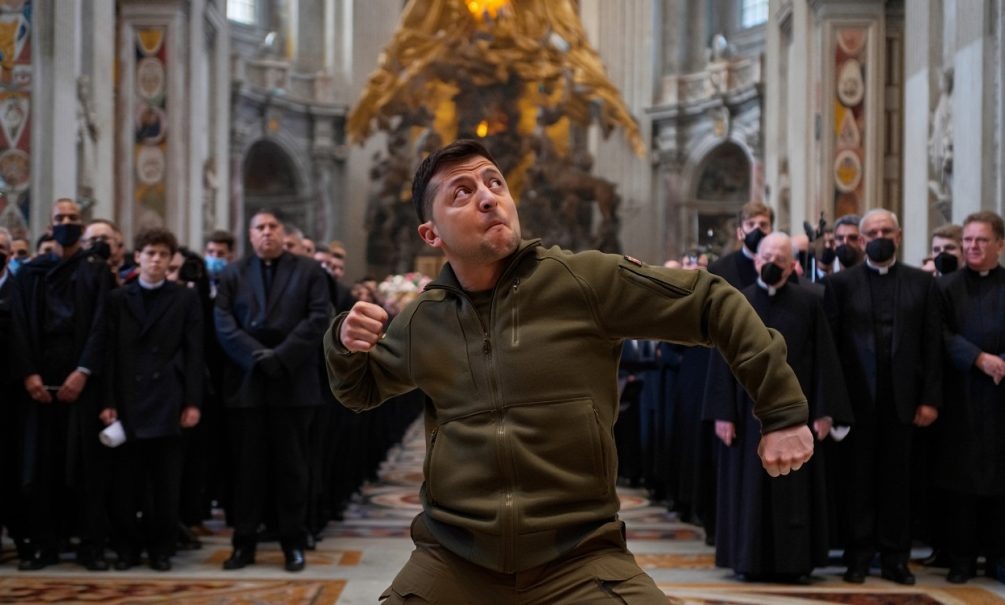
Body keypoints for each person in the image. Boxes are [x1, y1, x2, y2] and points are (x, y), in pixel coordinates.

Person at [325, 140, 813, 603]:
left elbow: (711, 301)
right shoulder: (423, 320)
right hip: (453, 559)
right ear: (431, 234)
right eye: (462, 192)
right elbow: (360, 390)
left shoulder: (582, 282)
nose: (489, 198)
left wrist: (781, 409)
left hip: (580, 557)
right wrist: (344, 343)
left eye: (495, 183)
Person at [705, 233, 852, 583]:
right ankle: (747, 559)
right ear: (757, 260)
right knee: (749, 491)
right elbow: (721, 359)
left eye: (780, 259)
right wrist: (723, 413)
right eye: (767, 257)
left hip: (795, 413)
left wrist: (824, 411)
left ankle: (794, 562)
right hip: (746, 414)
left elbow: (824, 360)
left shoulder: (809, 302)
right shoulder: (736, 302)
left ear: (791, 266)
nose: (772, 263)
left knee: (793, 487)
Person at [823, 209, 942, 585]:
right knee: (857, 482)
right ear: (861, 240)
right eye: (872, 233)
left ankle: (895, 558)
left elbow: (932, 345)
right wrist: (833, 403)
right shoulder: (840, 284)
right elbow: (831, 349)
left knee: (898, 483)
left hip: (904, 400)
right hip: (857, 401)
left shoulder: (922, 283)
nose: (879, 237)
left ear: (899, 235)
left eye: (886, 231)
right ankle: (857, 556)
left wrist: (930, 399)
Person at [214, 210, 331, 572]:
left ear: (283, 232)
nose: (267, 232)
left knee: (291, 469)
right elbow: (223, 322)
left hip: (293, 383)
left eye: (273, 227)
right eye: (260, 228)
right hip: (248, 385)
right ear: (250, 235)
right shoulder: (233, 273)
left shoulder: (309, 271)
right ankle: (244, 543)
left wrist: (280, 357)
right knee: (247, 471)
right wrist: (256, 357)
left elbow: (318, 318)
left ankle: (293, 543)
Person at [11, 198, 115, 571]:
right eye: (60, 217)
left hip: (82, 379)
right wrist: (29, 374)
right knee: (43, 468)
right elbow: (18, 326)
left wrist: (84, 370)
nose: (66, 222)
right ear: (49, 225)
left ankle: (90, 546)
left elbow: (103, 325)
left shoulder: (96, 272)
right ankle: (45, 545)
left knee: (86, 468)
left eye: (72, 218)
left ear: (81, 226)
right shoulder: (30, 273)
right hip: (40, 381)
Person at [100, 228, 203, 571]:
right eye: (150, 253)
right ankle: (127, 548)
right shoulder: (118, 299)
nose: (156, 260)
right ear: (138, 257)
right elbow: (109, 354)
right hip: (128, 398)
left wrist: (192, 402)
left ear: (171, 259)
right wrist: (107, 401)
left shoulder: (184, 299)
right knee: (126, 483)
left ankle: (162, 549)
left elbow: (194, 353)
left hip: (168, 398)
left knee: (165, 484)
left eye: (163, 254)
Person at [932, 211, 1005, 584]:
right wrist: (978, 358)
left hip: (1000, 398)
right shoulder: (945, 288)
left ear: (1000, 244)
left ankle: (998, 558)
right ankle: (960, 560)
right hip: (960, 395)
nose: (973, 246)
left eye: (981, 240)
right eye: (969, 240)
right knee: (961, 482)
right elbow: (939, 334)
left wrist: (1001, 361)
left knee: (1000, 481)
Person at [707, 201, 773, 288]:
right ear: (740, 233)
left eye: (763, 225)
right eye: (750, 224)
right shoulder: (718, 270)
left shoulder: (783, 267)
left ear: (771, 231)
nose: (757, 229)